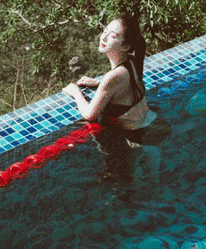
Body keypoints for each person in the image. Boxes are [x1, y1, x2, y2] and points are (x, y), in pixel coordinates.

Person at [63, 16, 170, 184]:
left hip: (138, 138)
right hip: (154, 125)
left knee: (121, 185)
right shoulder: (132, 62)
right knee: (151, 183)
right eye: (105, 31)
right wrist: (99, 84)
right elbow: (126, 85)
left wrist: (76, 92)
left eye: (113, 36)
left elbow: (90, 114)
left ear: (126, 46)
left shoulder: (113, 77)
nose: (104, 37)